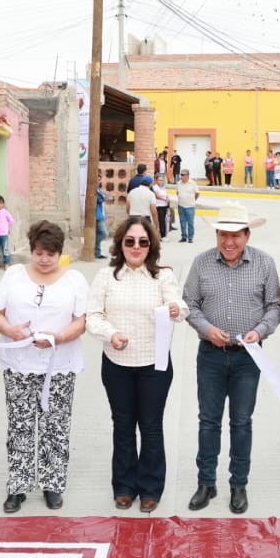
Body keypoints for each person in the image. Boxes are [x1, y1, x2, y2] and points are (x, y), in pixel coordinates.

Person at [182, 203, 280, 515]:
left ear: (247, 235)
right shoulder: (200, 264)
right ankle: (206, 482)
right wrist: (206, 329)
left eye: (236, 235)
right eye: (223, 234)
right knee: (208, 422)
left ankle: (239, 484)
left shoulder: (265, 264)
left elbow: (275, 306)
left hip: (248, 358)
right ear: (216, 234)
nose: (229, 241)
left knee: (241, 422)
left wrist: (260, 331)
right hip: (210, 355)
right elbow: (189, 304)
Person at [86, 216, 187, 513]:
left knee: (152, 427)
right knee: (123, 425)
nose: (136, 247)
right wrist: (111, 334)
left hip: (154, 364)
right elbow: (93, 316)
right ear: (120, 244)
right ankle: (124, 486)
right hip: (117, 362)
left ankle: (151, 487)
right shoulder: (106, 276)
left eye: (143, 241)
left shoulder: (163, 276)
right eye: (130, 241)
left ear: (151, 245)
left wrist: (175, 308)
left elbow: (181, 308)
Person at [0, 220, 88, 512]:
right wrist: (11, 331)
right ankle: (18, 485)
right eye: (39, 253)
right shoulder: (14, 275)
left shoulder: (74, 281)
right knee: (19, 424)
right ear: (31, 250)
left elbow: (81, 321)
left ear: (60, 253)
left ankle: (52, 484)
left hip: (58, 366)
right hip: (19, 364)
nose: (44, 259)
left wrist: (58, 338)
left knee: (55, 426)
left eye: (51, 253)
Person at [176, 170, 200, 244]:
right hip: (181, 206)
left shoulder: (193, 183)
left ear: (187, 175)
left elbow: (197, 193)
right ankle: (183, 237)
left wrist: (193, 200)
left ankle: (190, 238)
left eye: (183, 175)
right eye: (181, 175)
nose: (182, 176)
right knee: (182, 222)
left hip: (190, 206)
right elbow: (177, 193)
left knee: (190, 223)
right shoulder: (179, 183)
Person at [151, 174, 170, 239]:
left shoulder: (163, 187)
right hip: (159, 206)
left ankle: (163, 234)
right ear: (156, 180)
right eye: (159, 180)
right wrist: (165, 199)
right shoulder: (154, 187)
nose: (161, 181)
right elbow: (157, 196)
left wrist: (167, 198)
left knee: (164, 221)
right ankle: (163, 235)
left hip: (165, 205)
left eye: (162, 180)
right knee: (161, 221)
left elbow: (166, 194)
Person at [92, 187, 107, 259]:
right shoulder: (93, 190)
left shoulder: (99, 190)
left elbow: (105, 196)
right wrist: (102, 196)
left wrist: (103, 195)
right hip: (97, 216)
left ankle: (97, 253)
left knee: (98, 233)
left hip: (100, 214)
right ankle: (94, 244)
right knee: (104, 233)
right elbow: (101, 199)